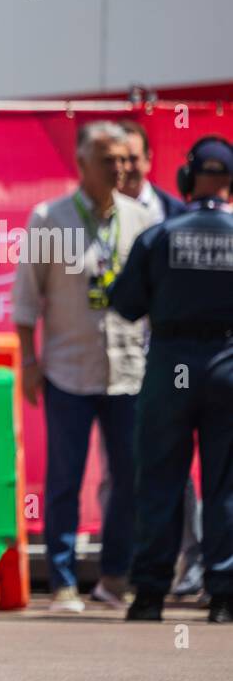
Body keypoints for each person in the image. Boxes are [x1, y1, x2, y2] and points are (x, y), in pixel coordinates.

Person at [12, 122, 152, 612]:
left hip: (130, 372)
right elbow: (27, 298)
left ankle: (115, 578)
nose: (120, 168)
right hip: (67, 371)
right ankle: (65, 583)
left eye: (123, 160)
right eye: (108, 160)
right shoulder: (50, 218)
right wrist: (29, 360)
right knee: (66, 478)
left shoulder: (141, 219)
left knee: (129, 477)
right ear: (83, 165)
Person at [109, 136, 233, 624]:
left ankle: (149, 595)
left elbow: (124, 303)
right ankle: (223, 595)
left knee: (160, 480)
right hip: (227, 363)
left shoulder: (159, 235)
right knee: (225, 483)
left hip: (171, 367)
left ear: (186, 179)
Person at [116, 118, 204, 599]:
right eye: (117, 158)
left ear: (150, 161)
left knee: (180, 474)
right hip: (118, 367)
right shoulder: (92, 216)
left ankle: (191, 568)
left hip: (170, 366)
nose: (126, 167)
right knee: (123, 472)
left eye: (133, 157)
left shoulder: (173, 216)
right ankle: (132, 570)